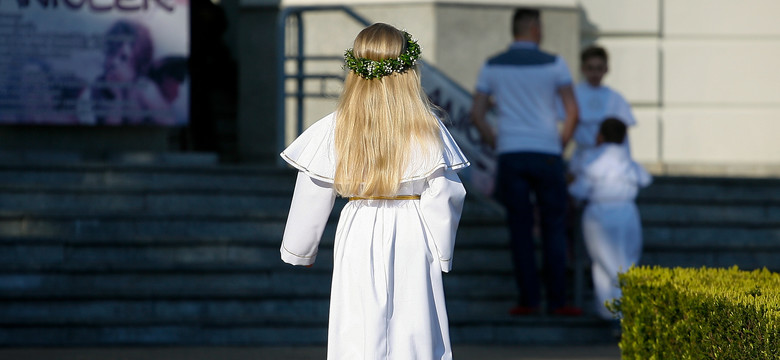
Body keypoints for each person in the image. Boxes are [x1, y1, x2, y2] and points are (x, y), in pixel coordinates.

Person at [279, 23, 469, 360]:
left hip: (360, 224)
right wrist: (442, 251)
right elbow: (445, 193)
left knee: (358, 319)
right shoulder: (427, 126)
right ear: (408, 71)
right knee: (414, 322)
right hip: (413, 227)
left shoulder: (336, 125)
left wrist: (300, 249)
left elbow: (313, 188)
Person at [470, 8, 581, 316]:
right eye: (541, 26)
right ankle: (558, 301)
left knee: (519, 228)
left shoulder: (491, 66)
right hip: (546, 153)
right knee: (554, 227)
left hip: (512, 154)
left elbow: (477, 115)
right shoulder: (556, 64)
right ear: (533, 28)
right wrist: (558, 145)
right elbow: (573, 112)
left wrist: (498, 143)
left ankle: (528, 300)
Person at [568, 118, 652, 320]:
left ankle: (614, 313)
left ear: (600, 136)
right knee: (626, 262)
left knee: (605, 264)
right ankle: (623, 311)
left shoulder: (592, 159)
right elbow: (645, 179)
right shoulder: (628, 162)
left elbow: (578, 190)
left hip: (600, 214)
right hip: (627, 213)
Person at [568, 45, 635, 177]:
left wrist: (626, 161)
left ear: (606, 69)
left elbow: (624, 136)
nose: (595, 73)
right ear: (583, 69)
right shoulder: (574, 94)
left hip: (608, 162)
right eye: (590, 68)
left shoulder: (616, 98)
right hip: (581, 158)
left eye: (599, 68)